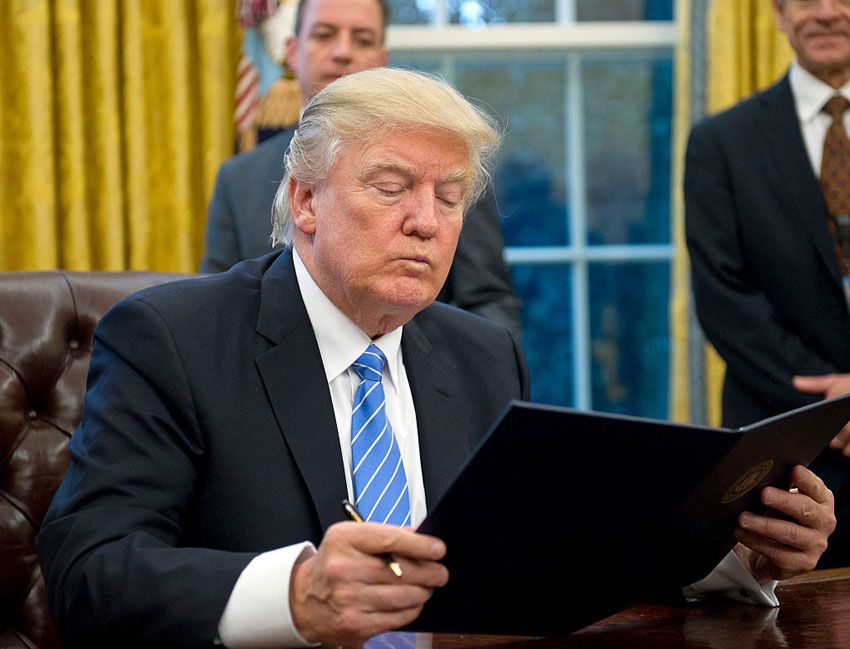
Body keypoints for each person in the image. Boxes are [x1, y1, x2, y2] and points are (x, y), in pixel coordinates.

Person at [39, 68, 833, 649]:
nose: (427, 221)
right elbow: (90, 573)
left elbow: (557, 566)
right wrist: (293, 593)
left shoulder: (482, 353)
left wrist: (733, 557)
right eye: (391, 187)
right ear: (306, 200)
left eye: (450, 197)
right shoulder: (170, 338)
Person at [200, 0, 522, 338]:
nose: (342, 52)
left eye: (363, 40)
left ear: (382, 61)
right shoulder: (239, 178)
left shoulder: (442, 165)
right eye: (324, 35)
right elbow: (219, 309)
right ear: (292, 52)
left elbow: (488, 301)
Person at [684, 0, 850, 568]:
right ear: (779, 15)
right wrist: (837, 406)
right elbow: (725, 300)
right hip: (784, 456)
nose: (826, 12)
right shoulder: (721, 143)